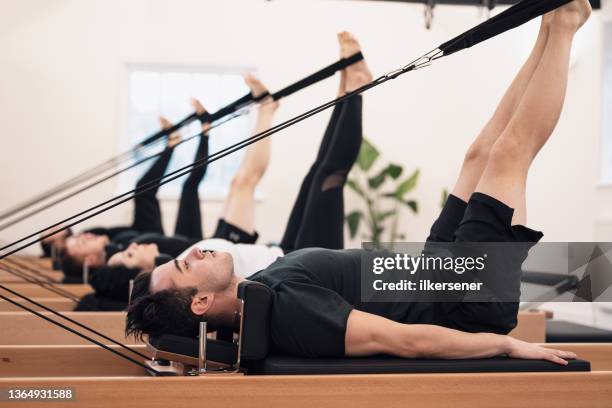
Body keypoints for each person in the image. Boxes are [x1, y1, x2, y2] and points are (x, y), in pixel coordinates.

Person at [127, 6, 591, 365]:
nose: (194, 251)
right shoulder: (287, 310)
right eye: (186, 267)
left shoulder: (262, 290)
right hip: (465, 303)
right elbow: (404, 341)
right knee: (510, 155)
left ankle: (549, 24)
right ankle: (567, 25)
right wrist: (505, 347)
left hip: (435, 275)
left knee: (479, 154)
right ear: (203, 302)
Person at [96, 32, 366, 305]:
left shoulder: (182, 270)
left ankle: (349, 86)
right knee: (328, 175)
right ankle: (355, 87)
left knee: (318, 174)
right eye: (129, 255)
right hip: (301, 272)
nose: (131, 246)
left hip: (285, 255)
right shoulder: (190, 287)